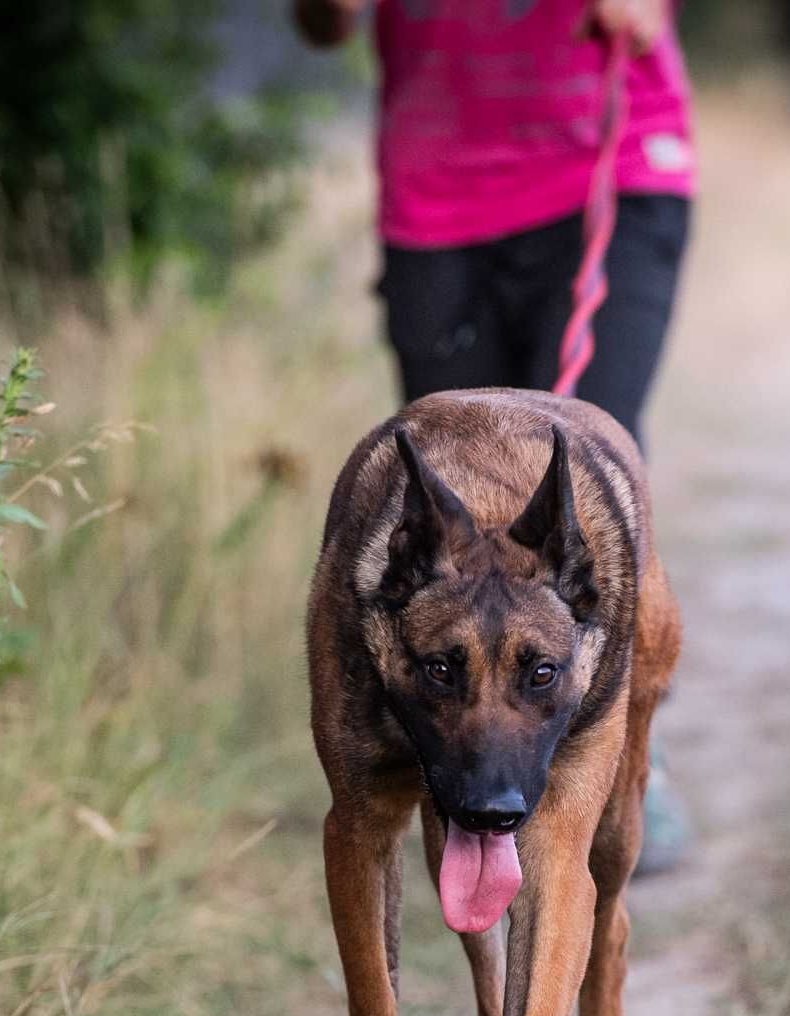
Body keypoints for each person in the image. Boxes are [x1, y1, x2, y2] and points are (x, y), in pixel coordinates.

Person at [294, 0, 696, 872]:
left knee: (586, 465)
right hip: (439, 192)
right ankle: (465, 754)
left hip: (607, 155)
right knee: (448, 493)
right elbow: (323, 26)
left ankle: (622, 753)